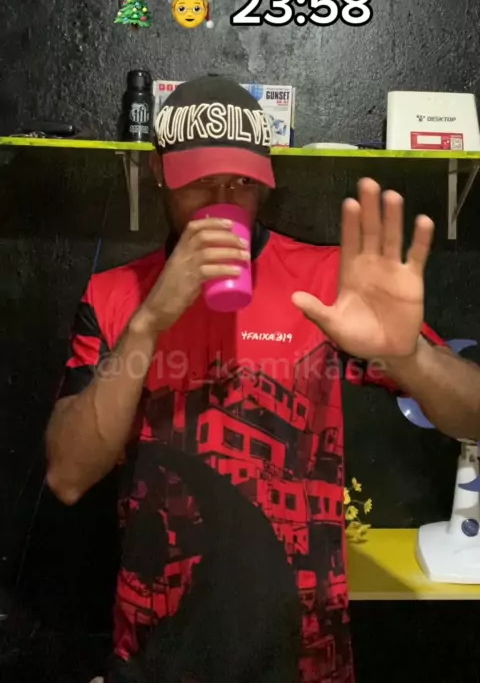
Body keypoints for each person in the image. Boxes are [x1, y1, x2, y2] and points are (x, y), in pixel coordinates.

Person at [46, 76, 480, 683]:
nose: (223, 200)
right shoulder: (114, 295)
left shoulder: (325, 282)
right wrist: (148, 324)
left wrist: (408, 356)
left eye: (243, 182)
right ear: (158, 172)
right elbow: (67, 477)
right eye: (201, 181)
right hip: (155, 656)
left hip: (301, 656)